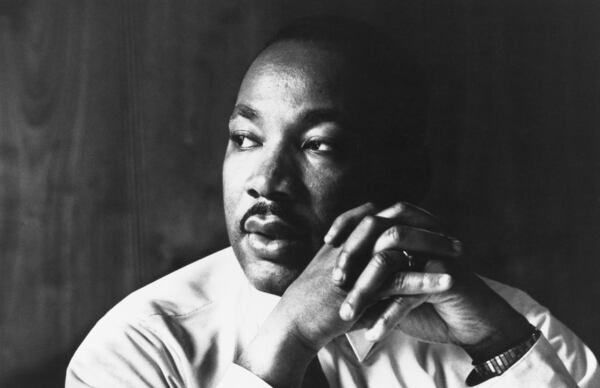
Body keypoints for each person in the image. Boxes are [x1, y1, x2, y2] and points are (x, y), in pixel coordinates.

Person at [66, 17, 599, 387]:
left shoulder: (516, 330)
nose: (266, 182)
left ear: (406, 178)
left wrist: (499, 346)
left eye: (319, 145)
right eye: (245, 138)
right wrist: (286, 341)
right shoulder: (140, 348)